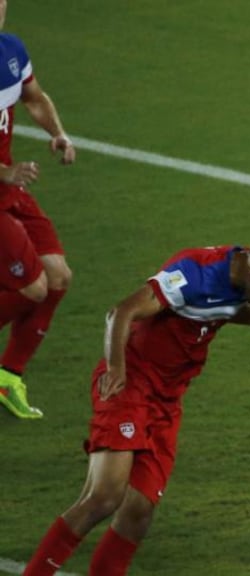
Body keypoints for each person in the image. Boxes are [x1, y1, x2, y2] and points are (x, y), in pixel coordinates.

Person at [23, 238, 250, 576]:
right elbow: (122, 311)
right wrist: (117, 367)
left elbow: (229, 308)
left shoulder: (245, 274)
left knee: (139, 511)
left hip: (168, 398)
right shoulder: (193, 272)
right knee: (104, 496)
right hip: (131, 384)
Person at [0, 0, 77, 419]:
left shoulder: (11, 50)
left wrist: (58, 134)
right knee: (34, 289)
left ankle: (8, 375)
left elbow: (33, 96)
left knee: (59, 276)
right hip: (3, 183)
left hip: (7, 189)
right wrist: (6, 170)